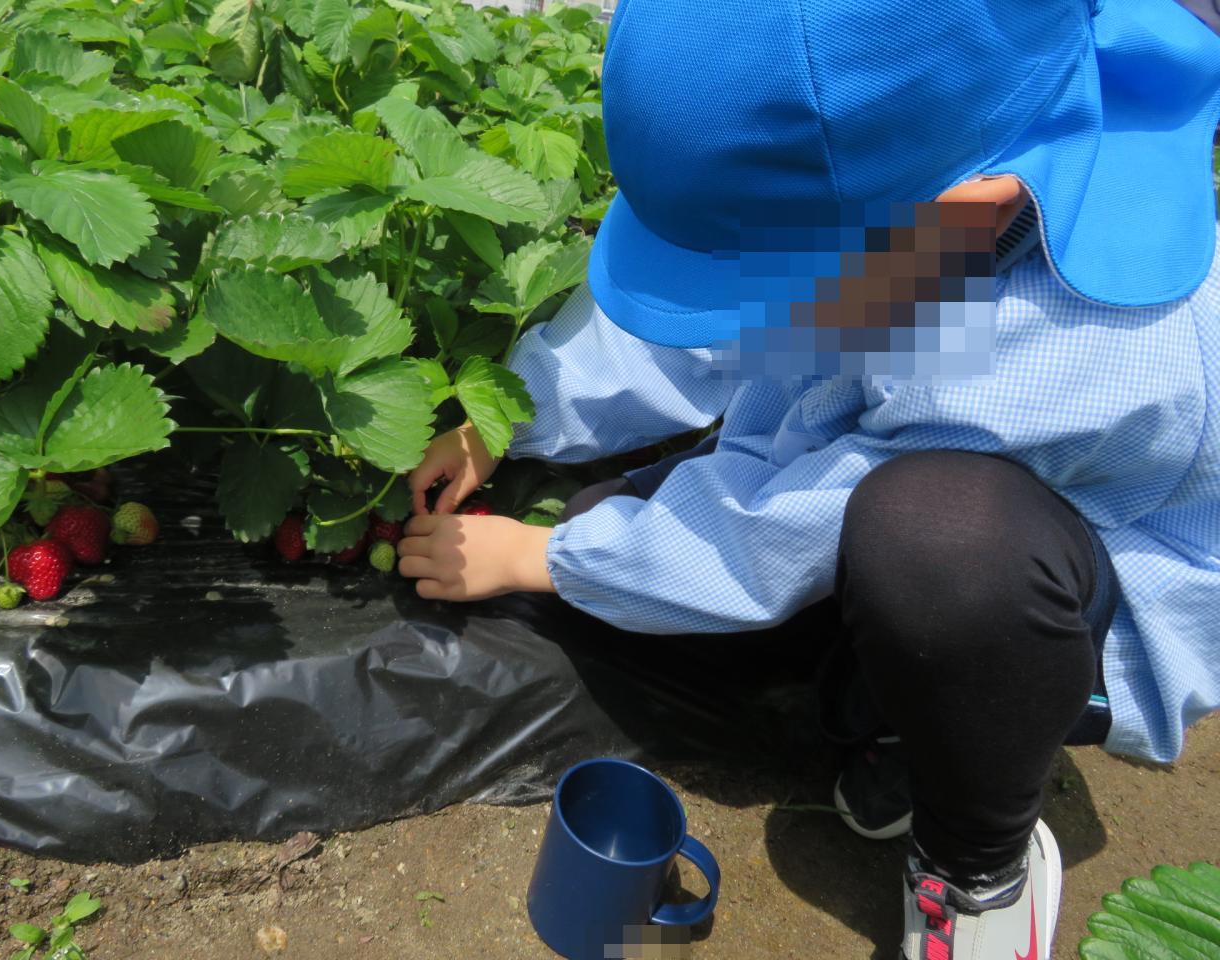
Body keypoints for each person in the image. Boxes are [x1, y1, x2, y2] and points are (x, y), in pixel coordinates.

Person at [398, 0, 1220, 956]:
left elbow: (787, 532)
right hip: (879, 477)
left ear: (975, 204)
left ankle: (978, 862)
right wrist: (510, 420)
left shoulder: (1066, 338)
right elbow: (713, 325)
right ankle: (896, 706)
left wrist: (547, 558)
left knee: (934, 546)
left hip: (1059, 599)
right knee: (619, 532)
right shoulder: (944, 184)